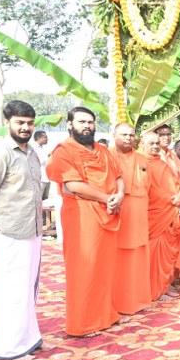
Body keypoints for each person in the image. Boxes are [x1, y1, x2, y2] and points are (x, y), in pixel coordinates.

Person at [0, 100, 45, 360]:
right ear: (7, 123)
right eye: (20, 123)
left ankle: (28, 338)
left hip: (32, 231)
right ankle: (9, 348)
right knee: (10, 292)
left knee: (28, 289)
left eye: (29, 123)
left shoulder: (32, 153)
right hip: (8, 234)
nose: (25, 127)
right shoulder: (0, 153)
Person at [46, 106, 124, 337]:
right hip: (82, 215)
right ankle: (82, 324)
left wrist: (119, 196)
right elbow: (72, 186)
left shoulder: (103, 150)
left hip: (108, 212)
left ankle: (104, 316)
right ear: (69, 124)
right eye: (81, 122)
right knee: (84, 268)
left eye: (90, 122)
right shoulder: (63, 151)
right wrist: (107, 199)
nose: (87, 126)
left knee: (104, 267)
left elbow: (119, 176)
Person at [109, 123, 152, 315]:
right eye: (123, 134)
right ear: (114, 135)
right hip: (119, 213)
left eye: (131, 135)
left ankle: (139, 300)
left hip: (140, 214)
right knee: (119, 259)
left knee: (139, 256)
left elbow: (149, 186)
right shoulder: (106, 157)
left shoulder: (142, 159)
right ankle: (119, 303)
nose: (128, 138)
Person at [145, 134, 180, 302]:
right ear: (143, 144)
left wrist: (179, 195)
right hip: (155, 216)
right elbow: (145, 191)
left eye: (157, 143)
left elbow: (179, 184)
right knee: (155, 255)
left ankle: (165, 284)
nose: (155, 146)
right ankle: (156, 289)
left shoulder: (163, 163)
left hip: (170, 213)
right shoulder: (141, 163)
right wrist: (170, 200)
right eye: (151, 143)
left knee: (169, 253)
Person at [33, 130, 51, 201]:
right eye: (45, 137)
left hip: (46, 177)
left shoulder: (41, 148)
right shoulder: (33, 149)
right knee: (38, 201)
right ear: (39, 138)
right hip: (40, 179)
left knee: (45, 201)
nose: (47, 139)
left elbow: (43, 160)